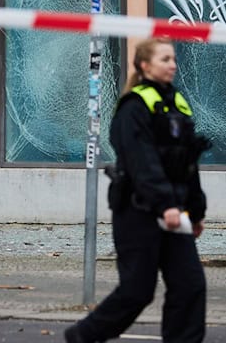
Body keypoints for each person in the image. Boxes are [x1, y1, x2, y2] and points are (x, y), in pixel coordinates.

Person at [65, 37, 209, 343]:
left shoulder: (177, 103)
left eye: (172, 58)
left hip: (173, 213)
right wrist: (166, 205)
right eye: (164, 59)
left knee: (190, 286)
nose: (172, 64)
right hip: (138, 212)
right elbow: (143, 162)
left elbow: (187, 163)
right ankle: (82, 336)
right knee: (137, 291)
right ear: (144, 66)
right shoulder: (133, 108)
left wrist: (195, 212)